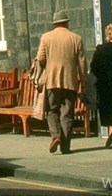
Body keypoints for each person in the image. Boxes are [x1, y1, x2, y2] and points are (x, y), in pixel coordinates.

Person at [36, 9, 86, 154]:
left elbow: (41, 59)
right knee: (67, 114)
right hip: (70, 81)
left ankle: (56, 136)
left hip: (52, 81)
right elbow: (82, 62)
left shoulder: (46, 37)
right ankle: (65, 147)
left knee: (52, 111)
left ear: (54, 24)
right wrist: (83, 81)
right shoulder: (76, 38)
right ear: (66, 23)